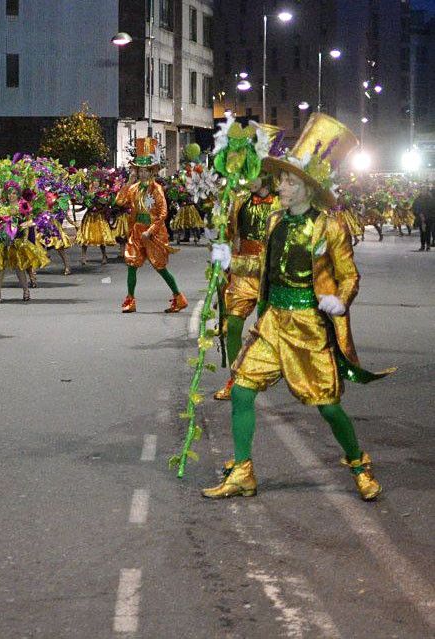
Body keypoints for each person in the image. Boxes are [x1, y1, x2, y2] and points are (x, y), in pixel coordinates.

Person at [204, 114, 392, 502]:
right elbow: (262, 267)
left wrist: (339, 300)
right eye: (281, 179)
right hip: (272, 322)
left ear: (308, 187)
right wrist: (229, 261)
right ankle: (243, 471)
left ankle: (358, 462)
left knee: (328, 407)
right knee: (241, 390)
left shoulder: (329, 227)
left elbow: (349, 275)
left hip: (308, 327)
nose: (281, 185)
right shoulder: (274, 221)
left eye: (289, 181)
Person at [213, 172, 282, 400]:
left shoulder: (281, 203)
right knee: (233, 325)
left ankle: (267, 372)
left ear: (265, 176)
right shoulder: (240, 201)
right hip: (243, 270)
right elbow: (230, 232)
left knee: (266, 330)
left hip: (270, 273)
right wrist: (222, 256)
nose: (248, 179)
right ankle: (235, 380)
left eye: (254, 174)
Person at [115, 138, 187, 313]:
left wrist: (151, 230)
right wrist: (129, 181)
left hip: (153, 233)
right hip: (137, 230)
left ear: (152, 171)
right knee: (131, 264)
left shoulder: (157, 189)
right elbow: (119, 201)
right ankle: (130, 300)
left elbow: (163, 213)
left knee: (160, 267)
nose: (142, 174)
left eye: (146, 171)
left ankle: (179, 298)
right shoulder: (133, 188)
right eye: (140, 170)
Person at [0, 181, 48, 302]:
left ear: (18, 194)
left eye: (14, 193)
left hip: (17, 241)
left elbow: (30, 223)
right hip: (3, 242)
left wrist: (26, 237)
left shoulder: (24, 206)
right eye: (9, 193)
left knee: (19, 267)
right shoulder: (2, 208)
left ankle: (26, 291)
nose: (11, 195)